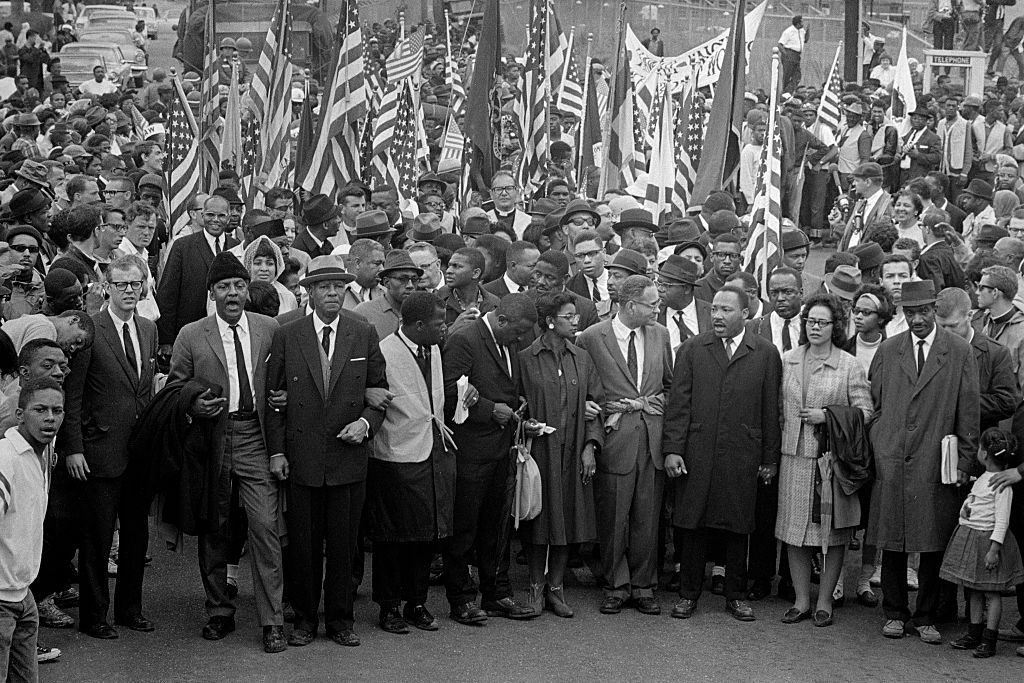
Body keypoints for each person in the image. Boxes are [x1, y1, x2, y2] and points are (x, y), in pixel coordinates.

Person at [167, 252, 287, 654]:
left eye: (238, 285)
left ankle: (273, 621)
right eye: (224, 287)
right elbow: (173, 389)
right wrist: (193, 405)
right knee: (214, 526)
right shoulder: (191, 334)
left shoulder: (270, 328)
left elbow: (287, 375)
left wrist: (283, 396)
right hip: (212, 439)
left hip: (256, 436)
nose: (233, 293)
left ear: (247, 289)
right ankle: (219, 610)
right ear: (211, 293)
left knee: (265, 527)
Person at [265, 255, 387, 648]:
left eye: (339, 286)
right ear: (310, 292)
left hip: (347, 459)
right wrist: (277, 453)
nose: (333, 293)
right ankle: (303, 620)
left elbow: (379, 393)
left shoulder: (362, 332)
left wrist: (365, 423)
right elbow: (273, 399)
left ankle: (340, 620)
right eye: (324, 286)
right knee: (302, 546)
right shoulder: (288, 334)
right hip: (302, 458)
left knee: (343, 546)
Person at [868, 279, 980, 643]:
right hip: (894, 458)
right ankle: (895, 612)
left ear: (934, 309)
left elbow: (969, 411)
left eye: (922, 311)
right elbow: (878, 404)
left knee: (933, 539)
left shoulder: (959, 350)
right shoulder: (889, 349)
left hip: (937, 458)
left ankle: (926, 615)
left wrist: (964, 460)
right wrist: (881, 443)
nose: (916, 319)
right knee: (893, 537)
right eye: (909, 312)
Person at [662, 286, 782, 622]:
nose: (717, 316)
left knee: (738, 525)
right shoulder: (692, 349)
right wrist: (673, 449)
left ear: (745, 314)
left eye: (726, 310)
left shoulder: (764, 352)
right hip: (698, 451)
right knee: (694, 523)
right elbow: (678, 405)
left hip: (744, 452)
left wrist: (769, 459)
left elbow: (770, 409)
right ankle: (688, 595)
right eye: (714, 309)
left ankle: (736, 595)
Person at [61, 256, 157, 640]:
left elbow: (145, 389)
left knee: (136, 537)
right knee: (97, 539)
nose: (129, 290)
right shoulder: (92, 329)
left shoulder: (148, 329)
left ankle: (130, 609)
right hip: (98, 451)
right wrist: (73, 448)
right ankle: (94, 615)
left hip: (138, 453)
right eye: (121, 284)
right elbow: (74, 396)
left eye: (135, 284)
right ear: (107, 288)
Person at [576, 275, 672, 616]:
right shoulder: (592, 337)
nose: (659, 309)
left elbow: (670, 386)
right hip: (615, 438)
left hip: (652, 439)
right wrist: (591, 433)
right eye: (653, 304)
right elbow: (585, 392)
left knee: (648, 517)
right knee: (613, 516)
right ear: (630, 306)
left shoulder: (660, 334)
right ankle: (616, 584)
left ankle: (644, 585)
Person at [776, 292, 872, 627]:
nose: (815, 327)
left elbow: (865, 413)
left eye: (822, 322)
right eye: (810, 321)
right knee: (794, 532)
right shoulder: (787, 359)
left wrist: (827, 415)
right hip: (792, 457)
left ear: (836, 326)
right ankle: (801, 600)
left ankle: (824, 601)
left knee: (830, 533)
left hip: (830, 461)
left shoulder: (849, 365)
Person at [367, 292, 454, 634]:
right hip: (394, 456)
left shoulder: (432, 349)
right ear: (418, 325)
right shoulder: (385, 351)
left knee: (424, 534)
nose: (444, 327)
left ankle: (416, 602)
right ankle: (388, 606)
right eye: (438, 322)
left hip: (430, 451)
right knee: (392, 537)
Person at [518, 292, 604, 617]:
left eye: (576, 316)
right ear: (551, 320)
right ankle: (535, 587)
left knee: (568, 519)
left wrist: (589, 447)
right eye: (569, 316)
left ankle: (556, 588)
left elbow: (596, 404)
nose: (576, 321)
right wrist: (524, 424)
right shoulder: (526, 357)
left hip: (574, 451)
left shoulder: (581, 357)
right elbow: (518, 402)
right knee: (540, 520)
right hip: (540, 452)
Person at [0, 377, 65, 683]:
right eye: (40, 409)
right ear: (20, 414)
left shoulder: (43, 456)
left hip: (23, 597)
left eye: (57, 410)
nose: (50, 417)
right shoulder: (6, 458)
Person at [940, 428, 1024, 657]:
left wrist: (994, 549)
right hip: (973, 537)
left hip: (987, 542)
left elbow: (1002, 519)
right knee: (974, 588)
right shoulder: (984, 478)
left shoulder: (1001, 484)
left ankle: (989, 638)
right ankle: (973, 633)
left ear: (985, 454)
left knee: (992, 592)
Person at [156, 194, 240, 358]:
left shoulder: (237, 248)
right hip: (189, 334)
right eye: (210, 215)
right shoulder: (183, 246)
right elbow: (168, 293)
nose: (215, 220)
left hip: (227, 335)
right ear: (202, 216)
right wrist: (166, 340)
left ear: (229, 217)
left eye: (221, 215)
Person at [838, 163, 893, 251]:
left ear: (868, 182)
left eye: (857, 180)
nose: (854, 184)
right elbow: (854, 234)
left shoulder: (887, 206)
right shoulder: (861, 203)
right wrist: (837, 224)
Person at [778, 16, 806, 93]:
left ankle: (790, 90)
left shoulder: (802, 31)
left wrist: (808, 31)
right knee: (787, 74)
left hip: (797, 55)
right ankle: (785, 92)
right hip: (789, 53)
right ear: (798, 23)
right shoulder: (788, 31)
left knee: (797, 75)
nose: (803, 23)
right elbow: (780, 45)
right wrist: (786, 55)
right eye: (802, 22)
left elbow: (805, 40)